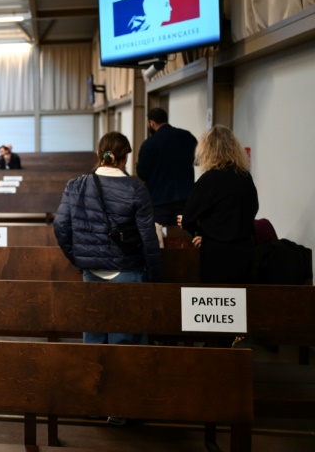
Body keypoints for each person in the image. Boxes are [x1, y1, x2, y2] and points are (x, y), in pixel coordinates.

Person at [54, 132, 161, 349]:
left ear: (99, 154)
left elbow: (60, 226)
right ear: (125, 158)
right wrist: (154, 276)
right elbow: (148, 237)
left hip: (91, 270)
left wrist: (79, 259)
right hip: (127, 268)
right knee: (126, 339)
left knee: (94, 334)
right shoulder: (136, 188)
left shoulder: (76, 185)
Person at [179, 125, 259, 284]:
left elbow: (188, 218)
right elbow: (253, 208)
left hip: (216, 255)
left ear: (207, 151)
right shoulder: (245, 177)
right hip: (246, 253)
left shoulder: (209, 180)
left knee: (216, 305)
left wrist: (202, 229)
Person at [136, 108, 198, 226]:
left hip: (158, 200)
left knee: (160, 236)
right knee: (181, 237)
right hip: (184, 198)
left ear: (151, 123)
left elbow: (142, 173)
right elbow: (198, 159)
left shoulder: (149, 144)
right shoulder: (187, 137)